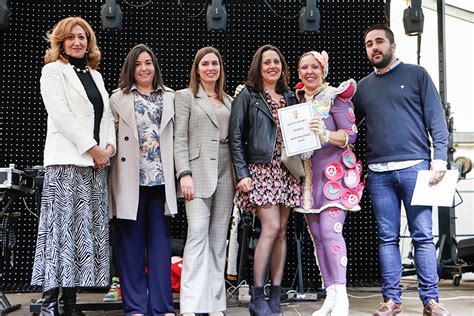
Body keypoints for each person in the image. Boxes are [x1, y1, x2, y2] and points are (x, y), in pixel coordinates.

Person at [353, 24, 451, 316]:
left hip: (417, 168)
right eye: (369, 43)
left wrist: (440, 160)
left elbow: (437, 120)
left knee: (423, 235)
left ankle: (430, 301)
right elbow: (348, 127)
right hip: (378, 174)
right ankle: (391, 301)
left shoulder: (417, 74)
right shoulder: (362, 87)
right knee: (387, 238)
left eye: (379, 41)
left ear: (393, 46)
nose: (374, 47)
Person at [30, 16, 116, 315]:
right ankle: (49, 303)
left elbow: (106, 117)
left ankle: (70, 303)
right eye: (71, 37)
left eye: (82, 37)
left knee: (80, 235)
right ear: (61, 42)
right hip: (67, 162)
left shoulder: (96, 75)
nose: (78, 42)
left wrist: (108, 147)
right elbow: (62, 116)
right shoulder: (52, 72)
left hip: (94, 166)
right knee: (60, 232)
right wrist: (92, 149)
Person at [229, 44, 301, 316]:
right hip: (260, 170)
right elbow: (235, 138)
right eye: (266, 62)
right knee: (270, 228)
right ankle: (257, 296)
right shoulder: (247, 96)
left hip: (286, 171)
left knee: (281, 232)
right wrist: (242, 175)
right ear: (258, 67)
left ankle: (275, 295)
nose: (272, 66)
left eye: (277, 61)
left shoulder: (291, 97)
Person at [109, 44, 177, 316]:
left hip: (161, 181)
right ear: (131, 68)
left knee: (161, 247)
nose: (144, 68)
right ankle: (136, 307)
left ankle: (162, 307)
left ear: (155, 66)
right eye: (138, 64)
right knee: (130, 246)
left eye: (148, 62)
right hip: (129, 180)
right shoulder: (118, 98)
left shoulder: (171, 97)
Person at [293, 51, 360, 316]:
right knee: (318, 238)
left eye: (314, 67)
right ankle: (330, 296)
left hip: (334, 178)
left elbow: (351, 136)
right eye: (304, 67)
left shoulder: (336, 97)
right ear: (298, 73)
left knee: (332, 234)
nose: (309, 71)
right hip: (310, 182)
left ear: (323, 70)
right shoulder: (296, 100)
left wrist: (326, 134)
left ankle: (342, 297)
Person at [174, 46, 234, 316]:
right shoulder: (185, 97)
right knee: (197, 236)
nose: (211, 68)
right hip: (197, 174)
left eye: (215, 64)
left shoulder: (229, 100)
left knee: (218, 239)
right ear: (197, 69)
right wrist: (183, 173)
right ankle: (190, 305)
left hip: (225, 172)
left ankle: (214, 305)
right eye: (205, 64)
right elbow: (179, 139)